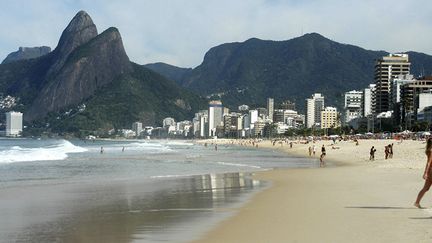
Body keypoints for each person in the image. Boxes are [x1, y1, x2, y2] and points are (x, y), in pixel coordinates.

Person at [414, 138, 432, 208]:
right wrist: (425, 173)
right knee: (425, 188)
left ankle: (417, 202)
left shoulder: (429, 150)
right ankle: (417, 202)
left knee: (426, 188)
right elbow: (428, 163)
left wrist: (426, 172)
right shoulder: (431, 151)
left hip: (430, 171)